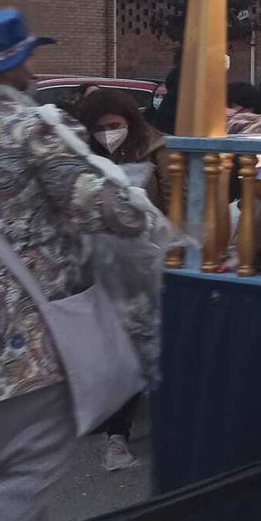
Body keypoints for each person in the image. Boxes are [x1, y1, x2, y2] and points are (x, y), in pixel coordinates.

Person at [0, 10, 167, 521]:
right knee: (16, 478)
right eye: (28, 56)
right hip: (13, 346)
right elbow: (120, 214)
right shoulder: (25, 127)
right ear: (10, 65)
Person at [75, 87, 168, 473]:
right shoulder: (81, 153)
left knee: (134, 344)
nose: (108, 134)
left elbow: (171, 202)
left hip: (144, 264)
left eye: (114, 126)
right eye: (100, 128)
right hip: (94, 265)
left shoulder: (157, 150)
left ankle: (119, 435)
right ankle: (107, 421)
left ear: (130, 121)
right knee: (106, 347)